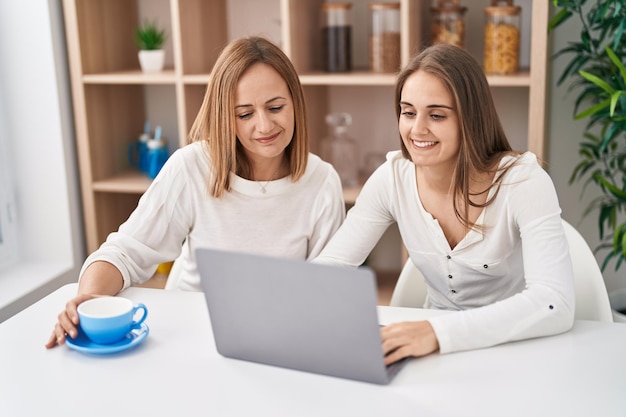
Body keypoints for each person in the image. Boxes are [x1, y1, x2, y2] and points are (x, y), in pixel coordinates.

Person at [46, 36, 345, 348]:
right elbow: (125, 252)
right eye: (244, 114)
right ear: (224, 117)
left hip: (281, 340)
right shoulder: (191, 167)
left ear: (295, 103)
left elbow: (327, 292)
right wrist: (89, 299)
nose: (264, 125)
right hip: (193, 337)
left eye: (275, 107)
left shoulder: (321, 181)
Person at [315, 43, 575, 364]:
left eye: (436, 115)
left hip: (514, 348)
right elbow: (331, 268)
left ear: (471, 118)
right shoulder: (392, 178)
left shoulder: (522, 181)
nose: (417, 129)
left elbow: (555, 302)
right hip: (433, 355)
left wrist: (439, 334)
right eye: (408, 112)